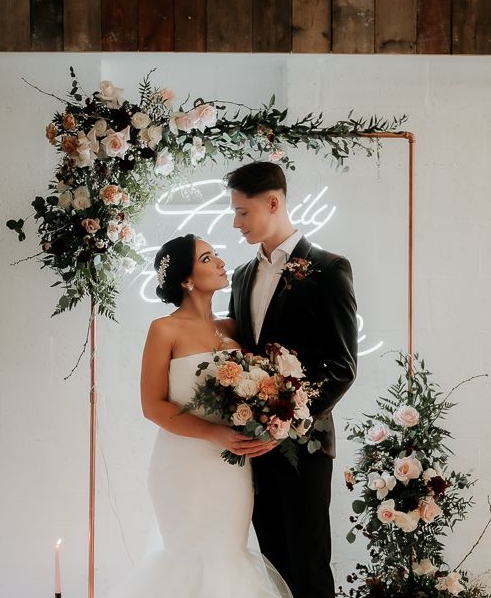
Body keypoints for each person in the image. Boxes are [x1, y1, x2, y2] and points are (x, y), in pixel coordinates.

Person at [118, 233, 292, 598]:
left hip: (231, 466)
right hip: (183, 466)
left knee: (229, 554)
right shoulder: (163, 329)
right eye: (208, 258)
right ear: (186, 279)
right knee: (191, 557)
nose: (221, 262)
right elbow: (153, 406)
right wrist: (215, 435)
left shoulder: (231, 328)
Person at [227, 161, 358, 598]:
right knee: (271, 569)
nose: (236, 222)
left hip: (306, 445)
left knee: (308, 567)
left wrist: (287, 421)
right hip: (254, 452)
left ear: (274, 202)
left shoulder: (329, 269)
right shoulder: (242, 277)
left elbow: (341, 367)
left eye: (243, 212)